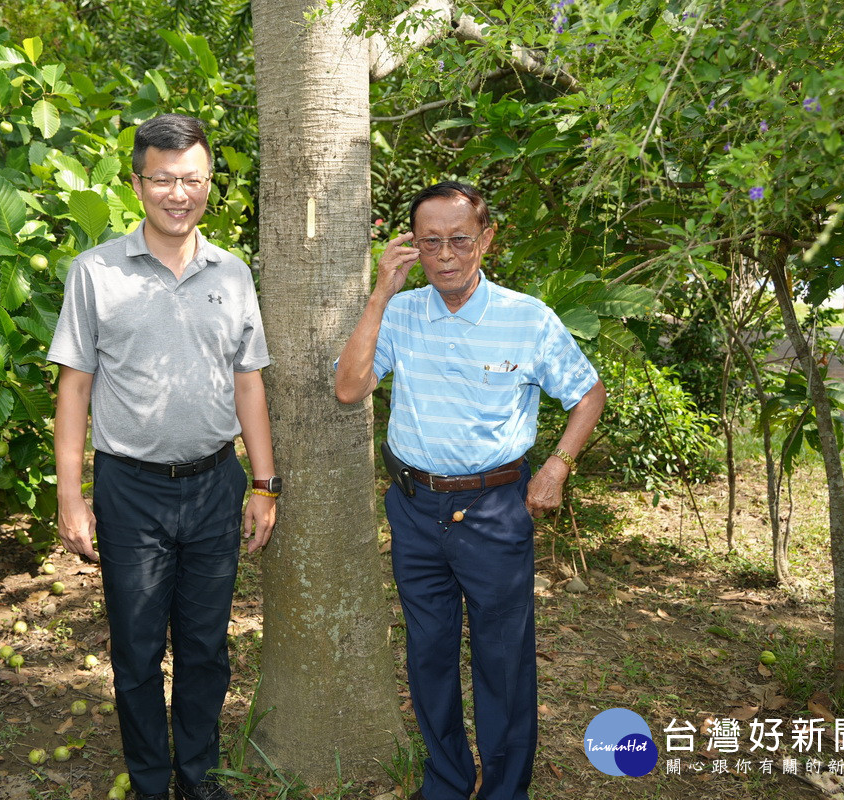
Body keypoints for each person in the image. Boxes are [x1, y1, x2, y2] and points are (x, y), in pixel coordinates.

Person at [334, 181, 605, 800]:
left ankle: (505, 790)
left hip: (495, 510)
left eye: (460, 239)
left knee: (502, 661)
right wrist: (380, 293)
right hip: (414, 508)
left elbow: (587, 393)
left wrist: (557, 465)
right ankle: (447, 783)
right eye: (431, 243)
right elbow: (349, 389)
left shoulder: (526, 317)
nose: (447, 254)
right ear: (413, 248)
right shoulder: (399, 312)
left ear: (486, 240)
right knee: (428, 654)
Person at [48, 113, 280, 800]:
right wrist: (70, 494)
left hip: (215, 485)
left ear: (209, 183)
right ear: (137, 183)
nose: (180, 194)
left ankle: (198, 780)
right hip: (130, 491)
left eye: (194, 180)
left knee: (207, 648)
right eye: (164, 180)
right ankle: (151, 783)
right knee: (139, 652)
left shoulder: (232, 274)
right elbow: (75, 386)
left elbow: (249, 382)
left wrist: (263, 482)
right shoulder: (95, 273)